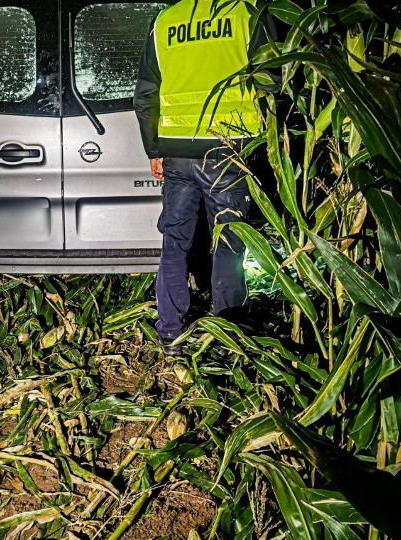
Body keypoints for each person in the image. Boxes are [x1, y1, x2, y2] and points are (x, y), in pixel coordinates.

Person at [134, 0, 273, 355]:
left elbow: (146, 94)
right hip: (229, 149)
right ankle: (228, 338)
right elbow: (272, 80)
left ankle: (170, 333)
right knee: (228, 242)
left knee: (174, 243)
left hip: (177, 151)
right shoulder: (246, 12)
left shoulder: (165, 21)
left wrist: (154, 150)